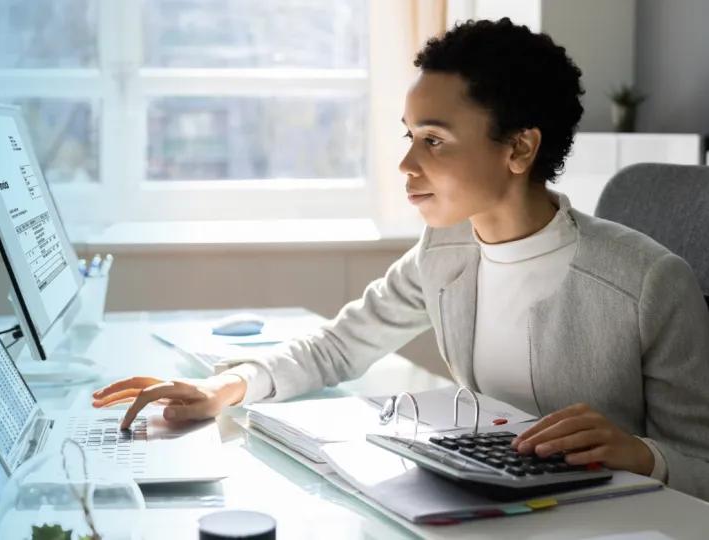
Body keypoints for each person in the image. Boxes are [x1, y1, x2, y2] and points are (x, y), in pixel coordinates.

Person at [92, 18, 709, 500]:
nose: (407, 165)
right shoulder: (444, 250)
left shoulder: (651, 283)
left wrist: (638, 454)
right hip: (490, 508)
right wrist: (226, 385)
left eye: (434, 141)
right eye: (409, 136)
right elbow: (337, 347)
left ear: (519, 148)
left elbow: (702, 467)